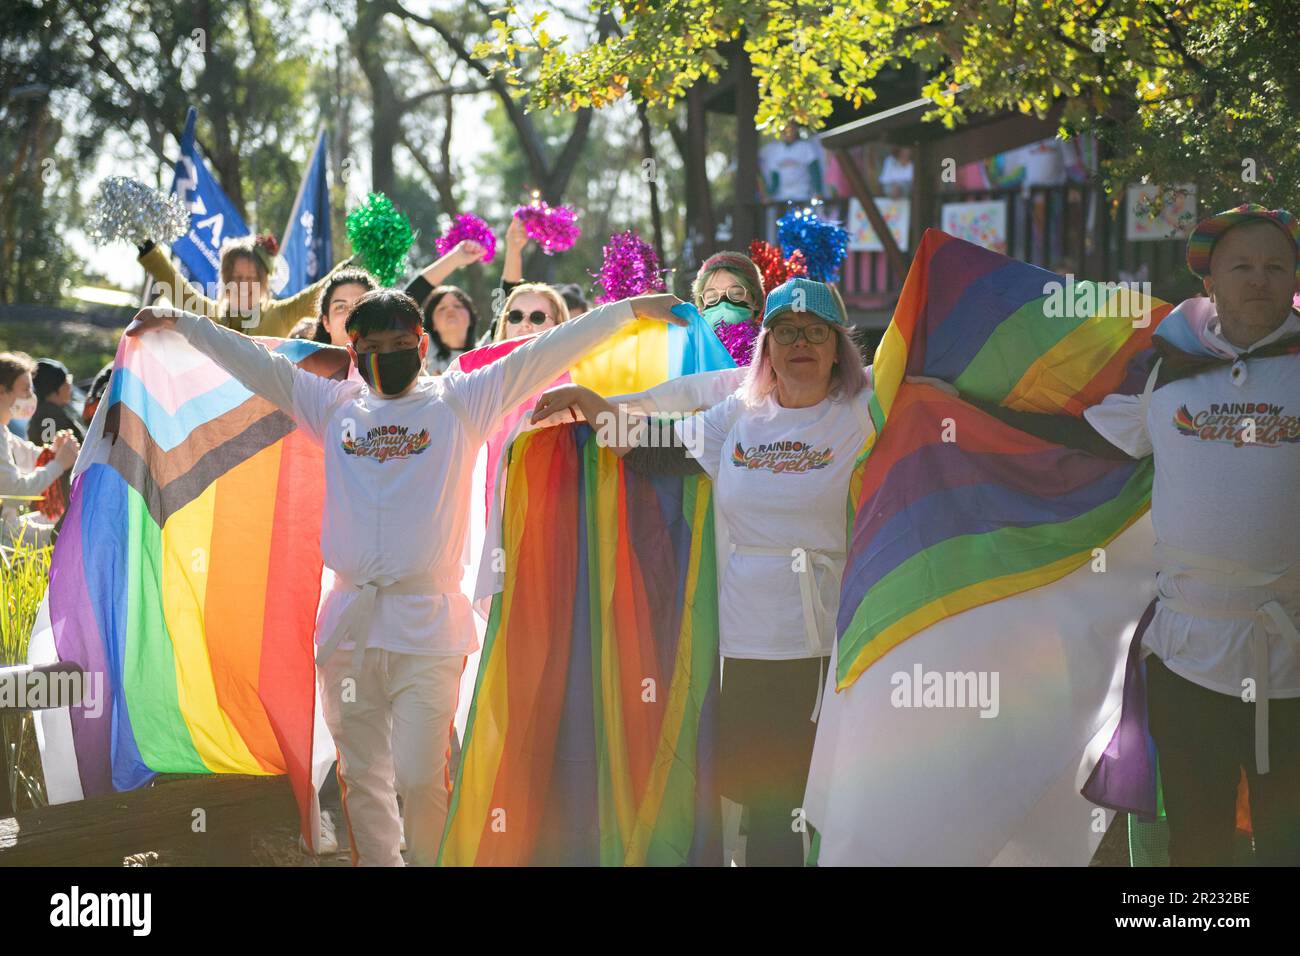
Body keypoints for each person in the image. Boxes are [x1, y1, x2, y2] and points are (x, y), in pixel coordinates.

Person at [125, 286, 688, 866]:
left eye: (400, 343)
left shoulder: (462, 401)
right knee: (363, 776)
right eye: (373, 346)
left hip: (427, 628)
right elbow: (256, 365)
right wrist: (183, 322)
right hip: (349, 627)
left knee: (422, 776)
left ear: (421, 344)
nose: (387, 354)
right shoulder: (333, 406)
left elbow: (541, 352)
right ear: (353, 349)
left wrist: (627, 311)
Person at [530, 277, 873, 865]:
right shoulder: (739, 414)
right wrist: (589, 402)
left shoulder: (865, 414)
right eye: (786, 331)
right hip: (745, 642)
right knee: (763, 799)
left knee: (820, 797)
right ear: (765, 346)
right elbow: (651, 448)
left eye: (817, 332)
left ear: (839, 346)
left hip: (827, 640)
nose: (801, 344)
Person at [1079, 204, 1300, 865]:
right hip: (1188, 656)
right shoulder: (1161, 373)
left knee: (1288, 842)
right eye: (1241, 267)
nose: (1259, 280)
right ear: (1210, 282)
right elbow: (1070, 435)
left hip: (1294, 652)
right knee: (1198, 842)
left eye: (1274, 267)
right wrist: (953, 411)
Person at [136, 234, 358, 338]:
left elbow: (318, 291)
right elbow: (176, 287)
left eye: (252, 278)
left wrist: (355, 263)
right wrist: (147, 248)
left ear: (263, 281)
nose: (245, 285)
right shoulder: (209, 314)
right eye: (238, 277)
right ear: (226, 279)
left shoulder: (282, 313)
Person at [0, 352, 79, 546]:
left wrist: (54, 451)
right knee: (68, 536)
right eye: (25, 389)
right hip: (4, 535)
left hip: (8, 526)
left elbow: (29, 455)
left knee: (69, 522)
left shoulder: (4, 431)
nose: (31, 397)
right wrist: (59, 463)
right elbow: (15, 493)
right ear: (2, 391)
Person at [404, 239, 488, 370]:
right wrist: (455, 258)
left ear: (471, 318)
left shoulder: (488, 354)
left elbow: (508, 310)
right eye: (441, 308)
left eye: (458, 306)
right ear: (432, 324)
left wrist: (513, 248)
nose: (450, 310)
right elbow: (403, 303)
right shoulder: (421, 353)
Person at [692, 251, 765, 365]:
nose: (724, 303)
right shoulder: (692, 353)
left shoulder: (770, 348)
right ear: (701, 307)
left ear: (755, 300)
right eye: (712, 297)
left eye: (736, 293)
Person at [312, 267, 379, 347]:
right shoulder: (303, 358)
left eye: (361, 305)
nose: (350, 314)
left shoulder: (393, 358)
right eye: (340, 307)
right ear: (326, 322)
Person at [27, 359, 86, 445]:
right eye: (67, 382)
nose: (70, 387)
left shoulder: (49, 412)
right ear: (57, 388)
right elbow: (49, 451)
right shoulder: (48, 416)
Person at [494, 283, 569, 342]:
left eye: (537, 318)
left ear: (558, 325)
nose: (525, 323)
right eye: (515, 316)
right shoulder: (486, 361)